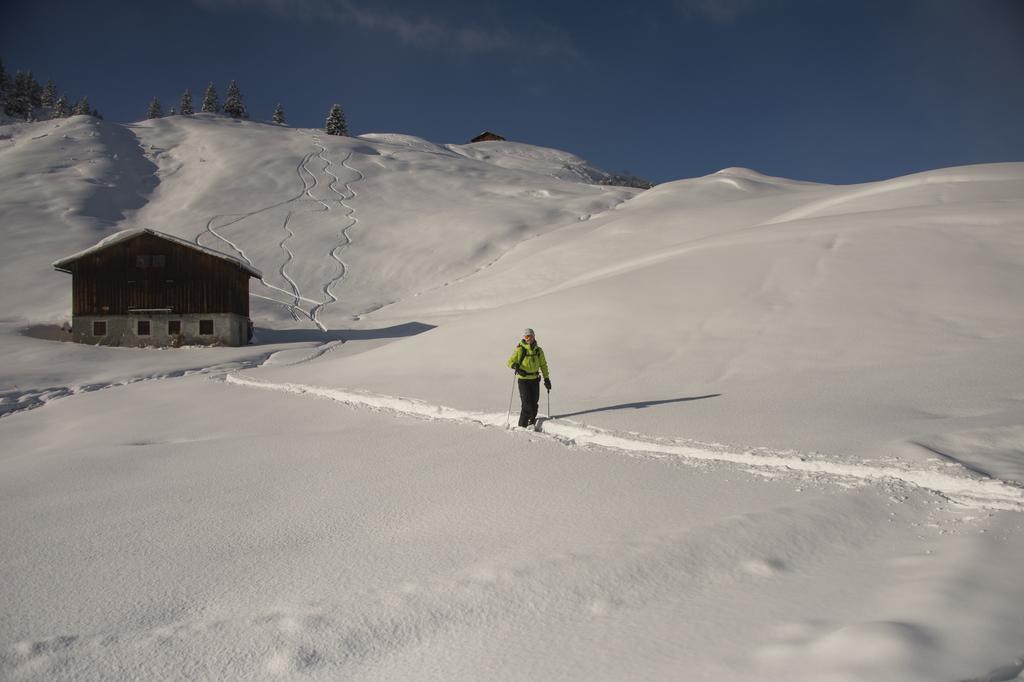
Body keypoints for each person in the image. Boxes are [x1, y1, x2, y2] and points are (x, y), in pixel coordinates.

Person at [507, 328, 551, 428]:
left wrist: (546, 379)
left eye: (530, 336)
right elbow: (509, 362)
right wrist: (517, 368)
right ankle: (522, 427)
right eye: (527, 337)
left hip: (535, 380)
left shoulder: (538, 351)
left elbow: (543, 365)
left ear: (534, 337)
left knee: (534, 403)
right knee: (527, 404)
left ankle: (531, 422)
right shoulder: (520, 349)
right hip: (523, 380)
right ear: (524, 338)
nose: (529, 339)